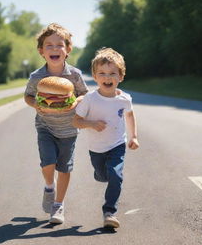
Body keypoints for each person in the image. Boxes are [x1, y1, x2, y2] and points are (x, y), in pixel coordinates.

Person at [24, 23, 88, 224]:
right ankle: (49, 187)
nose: (54, 49)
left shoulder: (74, 75)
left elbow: (85, 94)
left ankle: (58, 205)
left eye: (59, 45)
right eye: (48, 45)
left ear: (67, 50)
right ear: (41, 51)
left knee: (65, 168)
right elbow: (27, 96)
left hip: (69, 128)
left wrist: (76, 101)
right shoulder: (37, 76)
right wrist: (36, 104)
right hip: (45, 126)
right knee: (48, 162)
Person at [72, 47, 139, 228]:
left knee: (116, 175)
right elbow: (76, 121)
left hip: (117, 144)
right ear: (94, 76)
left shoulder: (125, 99)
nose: (107, 77)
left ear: (121, 76)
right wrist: (92, 124)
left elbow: (130, 116)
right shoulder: (90, 99)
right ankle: (101, 174)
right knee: (102, 175)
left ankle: (109, 212)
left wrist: (133, 137)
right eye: (102, 73)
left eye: (112, 73)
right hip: (97, 149)